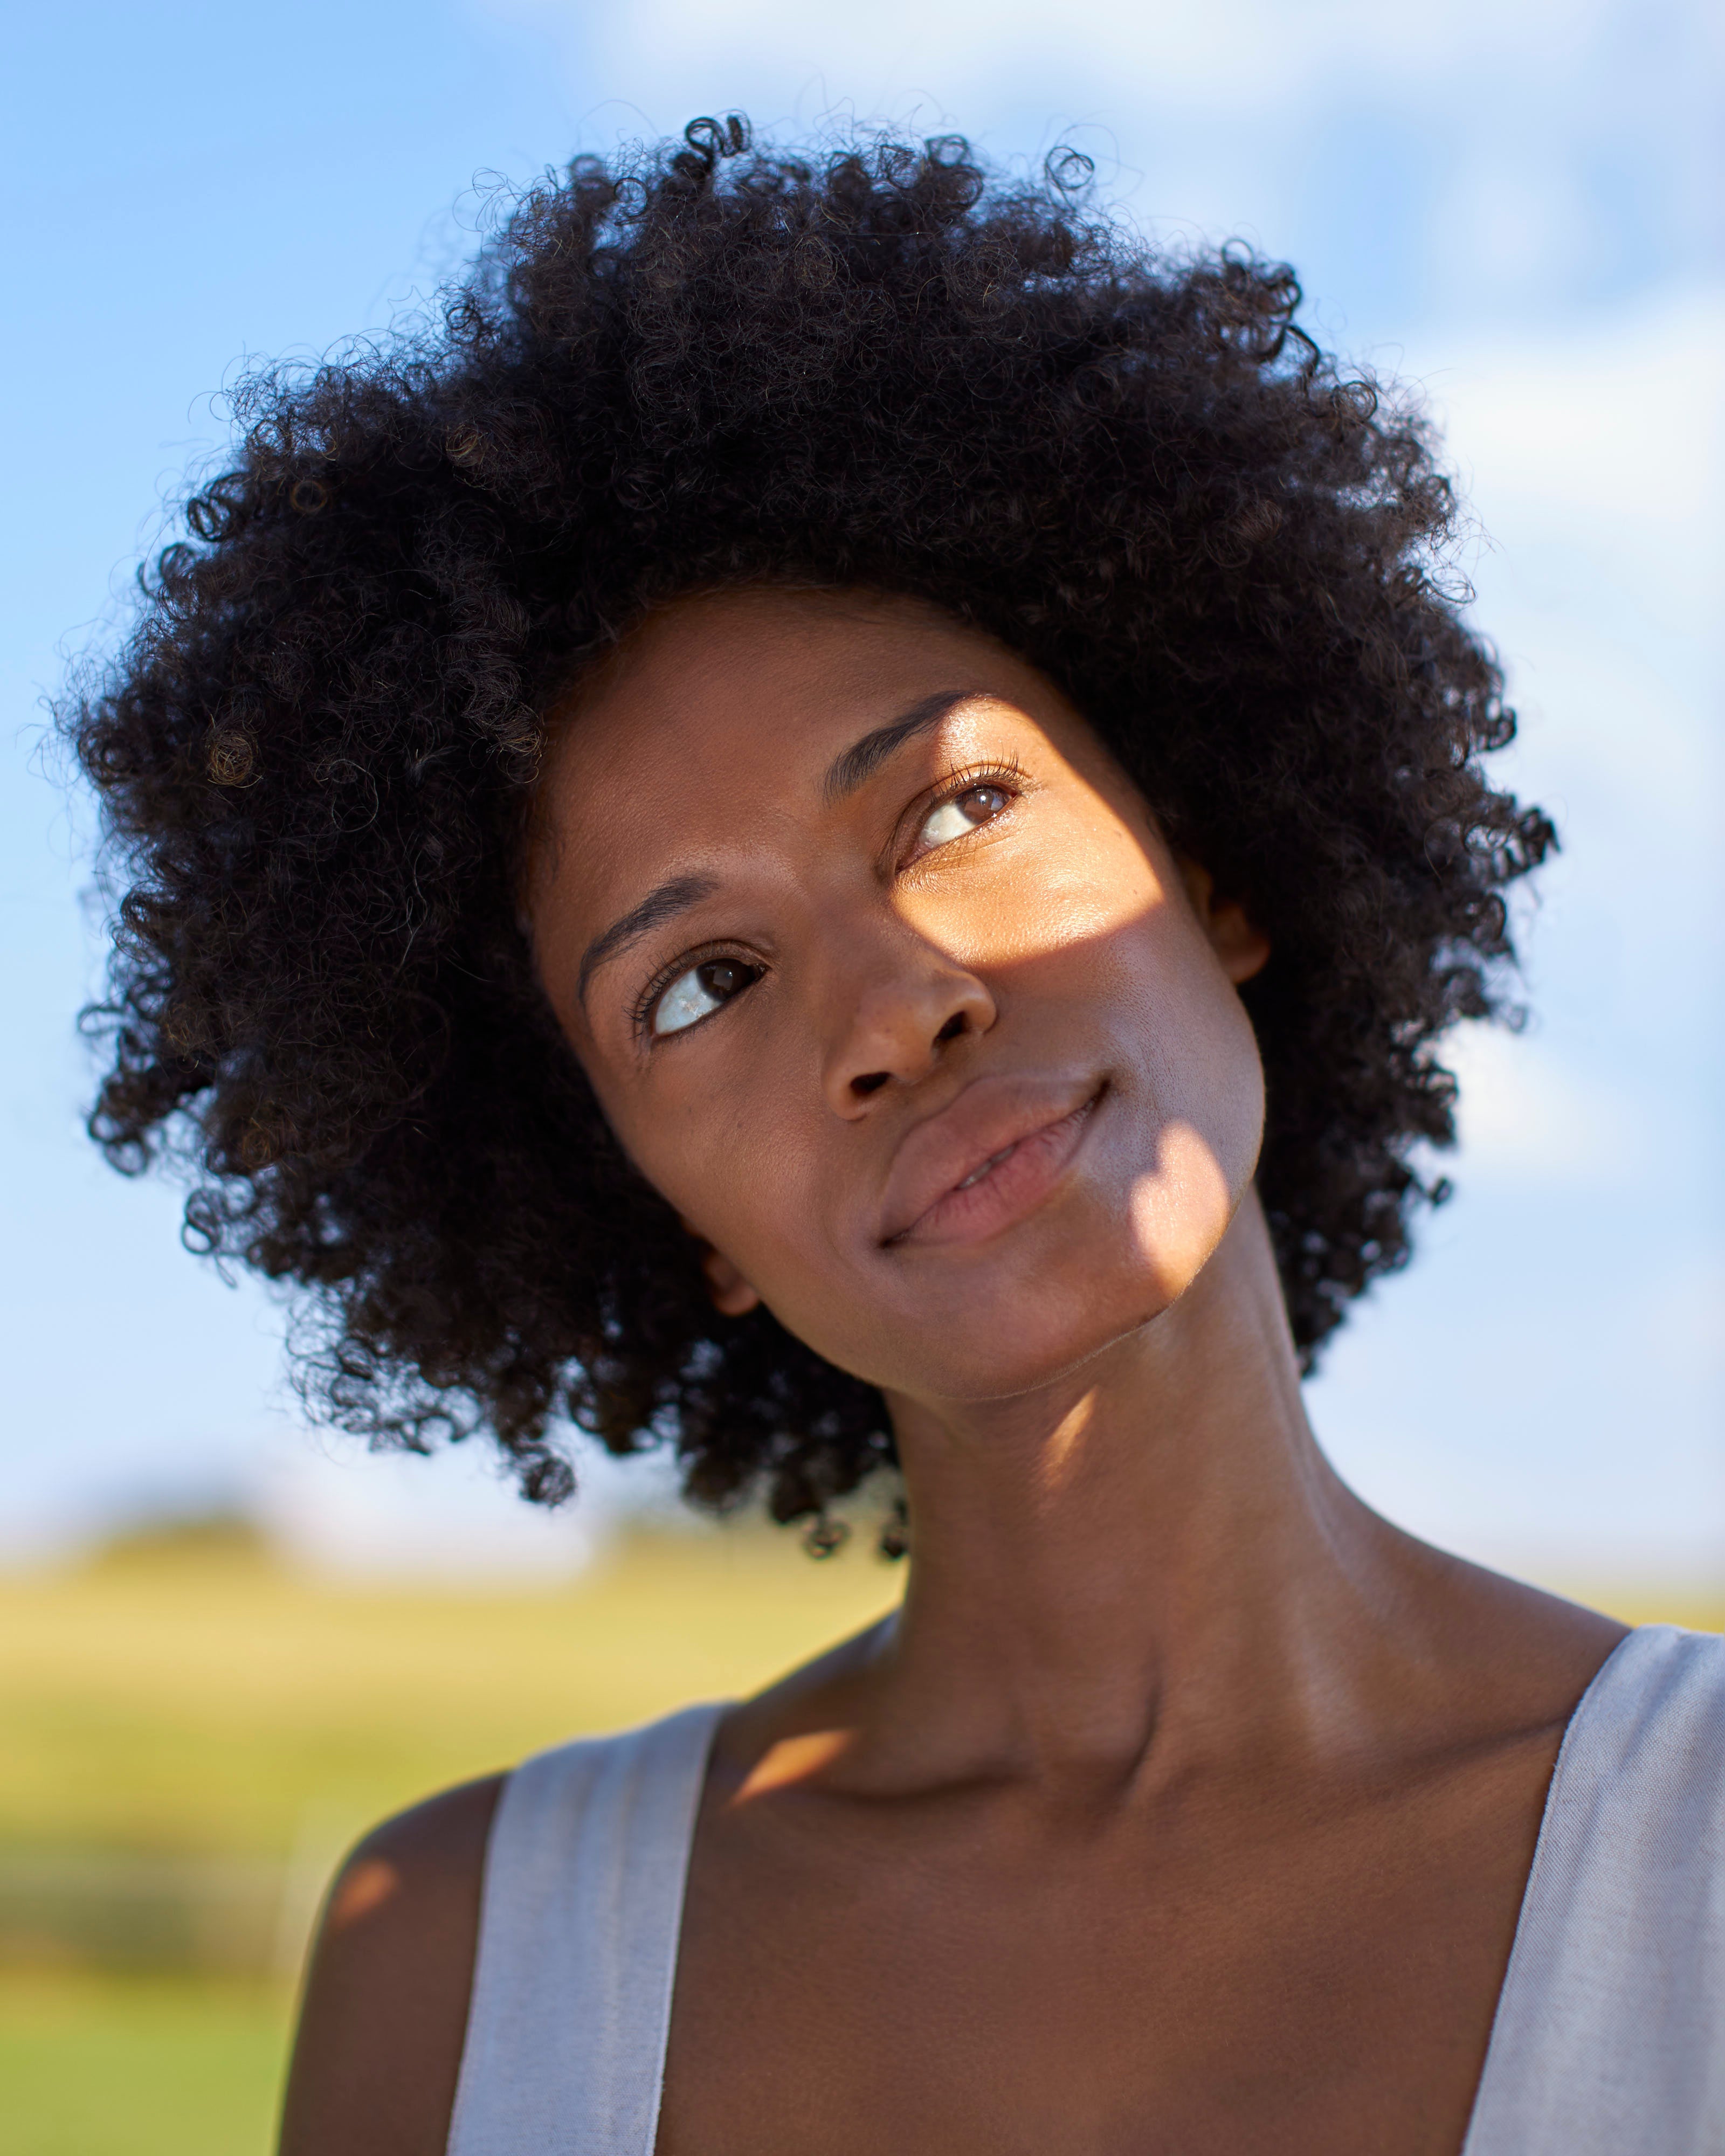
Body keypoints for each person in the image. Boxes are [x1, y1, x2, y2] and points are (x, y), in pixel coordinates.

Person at [67, 121, 1721, 2156]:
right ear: (674, 1218)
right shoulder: (459, 1962)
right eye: (699, 983)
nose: (898, 1006)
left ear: (1205, 868)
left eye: (952, 807)